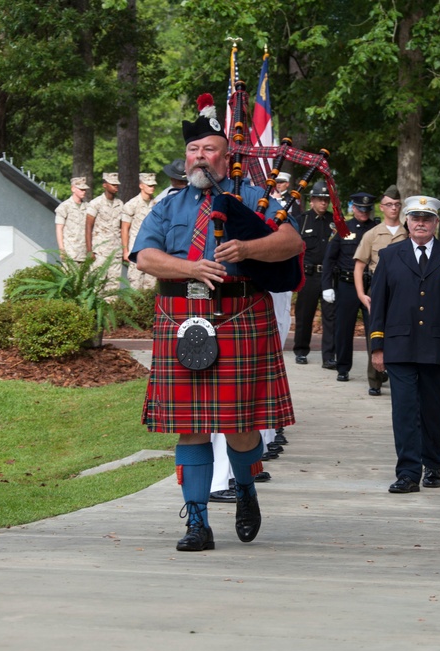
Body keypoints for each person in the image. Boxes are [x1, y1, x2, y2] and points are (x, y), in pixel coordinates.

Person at [129, 93, 300, 551]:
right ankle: (197, 522)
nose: (199, 157)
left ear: (226, 157)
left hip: (240, 315)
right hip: (182, 317)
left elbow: (290, 243)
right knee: (191, 426)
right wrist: (190, 268)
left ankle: (245, 490)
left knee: (242, 426)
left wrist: (247, 249)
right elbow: (145, 256)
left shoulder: (254, 198)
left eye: (208, 150)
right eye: (192, 150)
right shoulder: (169, 205)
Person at [369, 195, 440, 493]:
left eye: (427, 219)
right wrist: (377, 346)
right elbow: (379, 304)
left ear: (436, 223)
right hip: (399, 345)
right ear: (407, 221)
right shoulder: (390, 256)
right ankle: (408, 473)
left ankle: (433, 464)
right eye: (415, 218)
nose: (421, 223)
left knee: (433, 411)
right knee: (403, 411)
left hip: (438, 347)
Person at [353, 185, 407, 395]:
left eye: (397, 204)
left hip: (403, 289)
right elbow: (359, 265)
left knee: (401, 332)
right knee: (375, 333)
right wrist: (360, 294)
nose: (393, 208)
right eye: (389, 204)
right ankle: (374, 380)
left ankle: (397, 375)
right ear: (382, 207)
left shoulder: (408, 233)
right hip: (378, 286)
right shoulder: (372, 234)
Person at [322, 192, 378, 382]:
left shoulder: (377, 228)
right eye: (360, 209)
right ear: (353, 208)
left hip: (371, 284)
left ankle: (377, 369)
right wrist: (326, 286)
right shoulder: (342, 228)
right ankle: (343, 367)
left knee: (375, 328)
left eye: (367, 209)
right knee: (344, 328)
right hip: (346, 284)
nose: (364, 212)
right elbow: (329, 259)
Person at [292, 180, 337, 368]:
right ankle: (301, 351)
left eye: (326, 200)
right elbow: (294, 249)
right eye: (319, 199)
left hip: (329, 276)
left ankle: (328, 356)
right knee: (305, 315)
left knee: (331, 317)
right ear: (312, 200)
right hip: (309, 275)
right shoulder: (302, 221)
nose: (323, 203)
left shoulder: (334, 222)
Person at [86, 172, 125, 289]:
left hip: (115, 251)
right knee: (97, 284)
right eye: (112, 184)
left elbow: (122, 227)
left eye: (117, 184)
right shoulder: (95, 203)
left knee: (114, 285)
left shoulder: (120, 204)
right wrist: (89, 250)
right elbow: (88, 227)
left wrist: (123, 249)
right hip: (100, 251)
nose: (116, 186)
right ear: (105, 185)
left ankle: (111, 306)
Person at [121, 172, 158, 290]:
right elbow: (125, 228)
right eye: (149, 185)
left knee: (151, 286)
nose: (152, 188)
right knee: (135, 286)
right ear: (141, 186)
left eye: (153, 185)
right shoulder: (132, 204)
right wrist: (125, 250)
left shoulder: (157, 204)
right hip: (136, 250)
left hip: (153, 249)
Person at [54, 177, 91, 262]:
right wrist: (61, 249)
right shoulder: (64, 207)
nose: (84, 192)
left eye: (85, 189)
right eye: (81, 189)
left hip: (84, 253)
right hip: (70, 252)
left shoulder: (88, 207)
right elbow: (59, 229)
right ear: (73, 189)